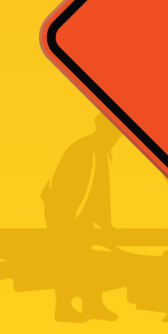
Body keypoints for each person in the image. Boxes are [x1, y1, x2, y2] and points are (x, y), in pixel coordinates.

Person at [41, 112, 121, 321]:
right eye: (115, 132)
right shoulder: (85, 150)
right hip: (64, 217)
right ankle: (63, 308)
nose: (118, 137)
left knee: (90, 262)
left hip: (79, 219)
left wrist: (106, 225)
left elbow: (101, 193)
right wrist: (70, 224)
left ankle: (92, 305)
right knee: (68, 262)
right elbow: (70, 191)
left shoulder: (100, 151)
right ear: (103, 129)